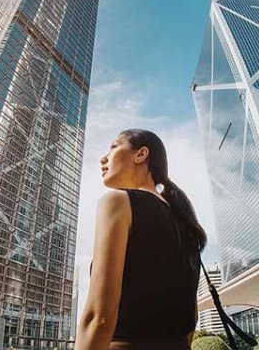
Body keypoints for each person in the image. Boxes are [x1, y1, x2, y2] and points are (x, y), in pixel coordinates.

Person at [75, 129, 207, 350]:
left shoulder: (117, 202)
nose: (103, 158)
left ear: (141, 154)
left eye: (114, 147)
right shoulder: (187, 225)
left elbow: (99, 318)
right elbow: (191, 319)